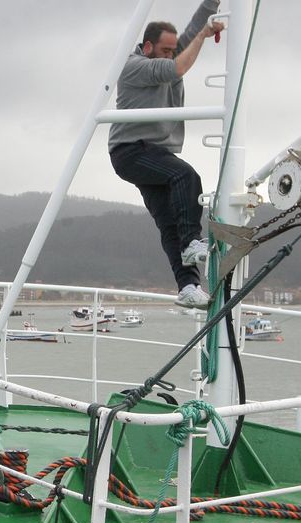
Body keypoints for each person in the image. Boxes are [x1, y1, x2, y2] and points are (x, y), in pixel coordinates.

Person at [109, 0, 224, 309]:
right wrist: (202, 37)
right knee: (186, 175)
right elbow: (179, 66)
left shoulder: (165, 55)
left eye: (174, 50)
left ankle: (187, 286)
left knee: (169, 222)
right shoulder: (136, 67)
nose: (172, 54)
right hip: (131, 151)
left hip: (155, 152)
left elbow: (191, 32)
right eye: (166, 50)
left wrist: (212, 6)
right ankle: (190, 243)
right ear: (148, 47)